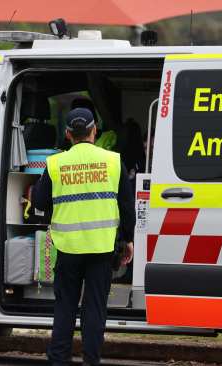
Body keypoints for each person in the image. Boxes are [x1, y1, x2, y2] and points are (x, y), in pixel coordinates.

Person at [31, 108, 135, 366]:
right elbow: (127, 205)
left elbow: (40, 202)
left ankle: (58, 360)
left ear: (67, 134)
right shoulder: (113, 161)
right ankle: (91, 360)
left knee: (65, 307)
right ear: (94, 131)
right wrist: (128, 239)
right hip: (101, 248)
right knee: (95, 308)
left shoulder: (55, 163)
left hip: (68, 248)